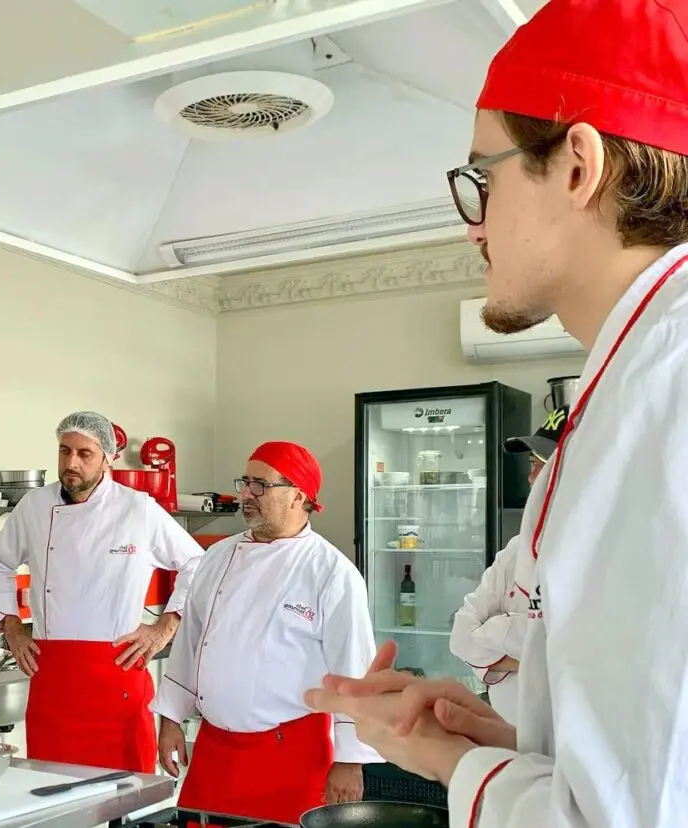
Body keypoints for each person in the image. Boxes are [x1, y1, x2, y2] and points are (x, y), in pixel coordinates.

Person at [304, 2, 688, 826]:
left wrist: (450, 761)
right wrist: (511, 741)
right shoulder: (633, 375)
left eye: (486, 177)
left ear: (579, 166)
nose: (474, 224)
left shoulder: (667, 390)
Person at [152, 442, 381, 824]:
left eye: (261, 485)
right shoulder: (216, 558)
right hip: (214, 752)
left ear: (298, 496)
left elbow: (355, 674)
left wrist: (350, 761)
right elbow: (190, 644)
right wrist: (171, 718)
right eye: (245, 482)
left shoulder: (332, 572)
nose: (245, 494)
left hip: (291, 754)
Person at [0, 411, 204, 772]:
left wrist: (165, 626)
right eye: (64, 451)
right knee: (49, 796)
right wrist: (11, 626)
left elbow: (197, 564)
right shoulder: (34, 507)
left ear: (108, 458)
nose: (71, 463)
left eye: (84, 454)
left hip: (118, 676)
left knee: (124, 800)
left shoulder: (138, 510)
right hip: (53, 680)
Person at [449, 406, 568, 724]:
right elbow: (461, 637)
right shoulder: (516, 550)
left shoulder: (598, 558)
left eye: (544, 465)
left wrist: (497, 629)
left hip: (567, 750)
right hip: (508, 737)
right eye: (532, 464)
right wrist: (531, 649)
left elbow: (579, 658)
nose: (531, 478)